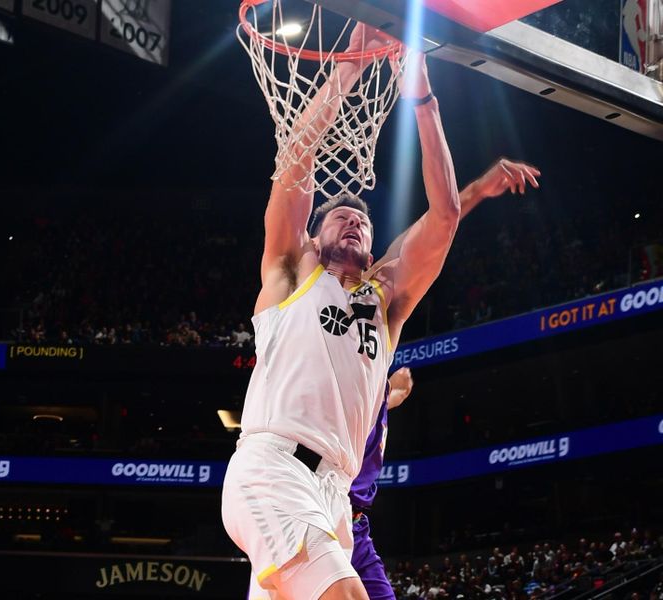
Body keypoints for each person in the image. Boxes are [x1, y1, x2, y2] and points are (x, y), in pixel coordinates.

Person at [223, 22, 463, 599]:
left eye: (363, 220)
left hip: (335, 493)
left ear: (375, 249)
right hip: (274, 467)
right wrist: (347, 71)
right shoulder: (289, 274)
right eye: (338, 216)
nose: (352, 218)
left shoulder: (387, 303)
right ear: (312, 237)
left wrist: (420, 93)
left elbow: (447, 214)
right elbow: (295, 159)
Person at [350, 158, 541, 600]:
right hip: (312, 505)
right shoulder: (310, 312)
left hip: (355, 523)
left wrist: (390, 396)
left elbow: (429, 232)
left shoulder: (376, 311)